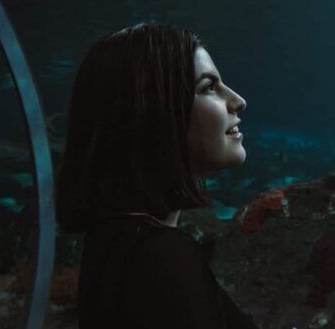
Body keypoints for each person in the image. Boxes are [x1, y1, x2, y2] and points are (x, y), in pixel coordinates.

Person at [54, 22, 257, 329]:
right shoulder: (160, 257)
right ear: (154, 112)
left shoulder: (111, 242)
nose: (238, 100)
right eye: (208, 88)